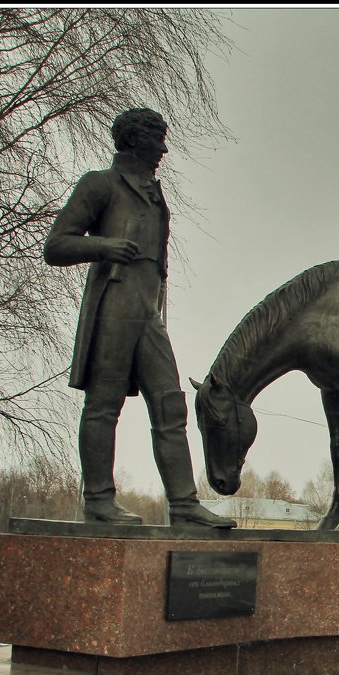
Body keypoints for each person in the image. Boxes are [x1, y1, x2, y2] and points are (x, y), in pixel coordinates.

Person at [45, 108, 234, 528]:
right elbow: (56, 245)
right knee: (103, 405)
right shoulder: (100, 185)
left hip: (149, 312)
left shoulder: (153, 192)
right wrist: (105, 246)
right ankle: (97, 500)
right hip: (115, 303)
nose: (164, 149)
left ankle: (184, 504)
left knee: (170, 404)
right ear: (134, 140)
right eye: (158, 139)